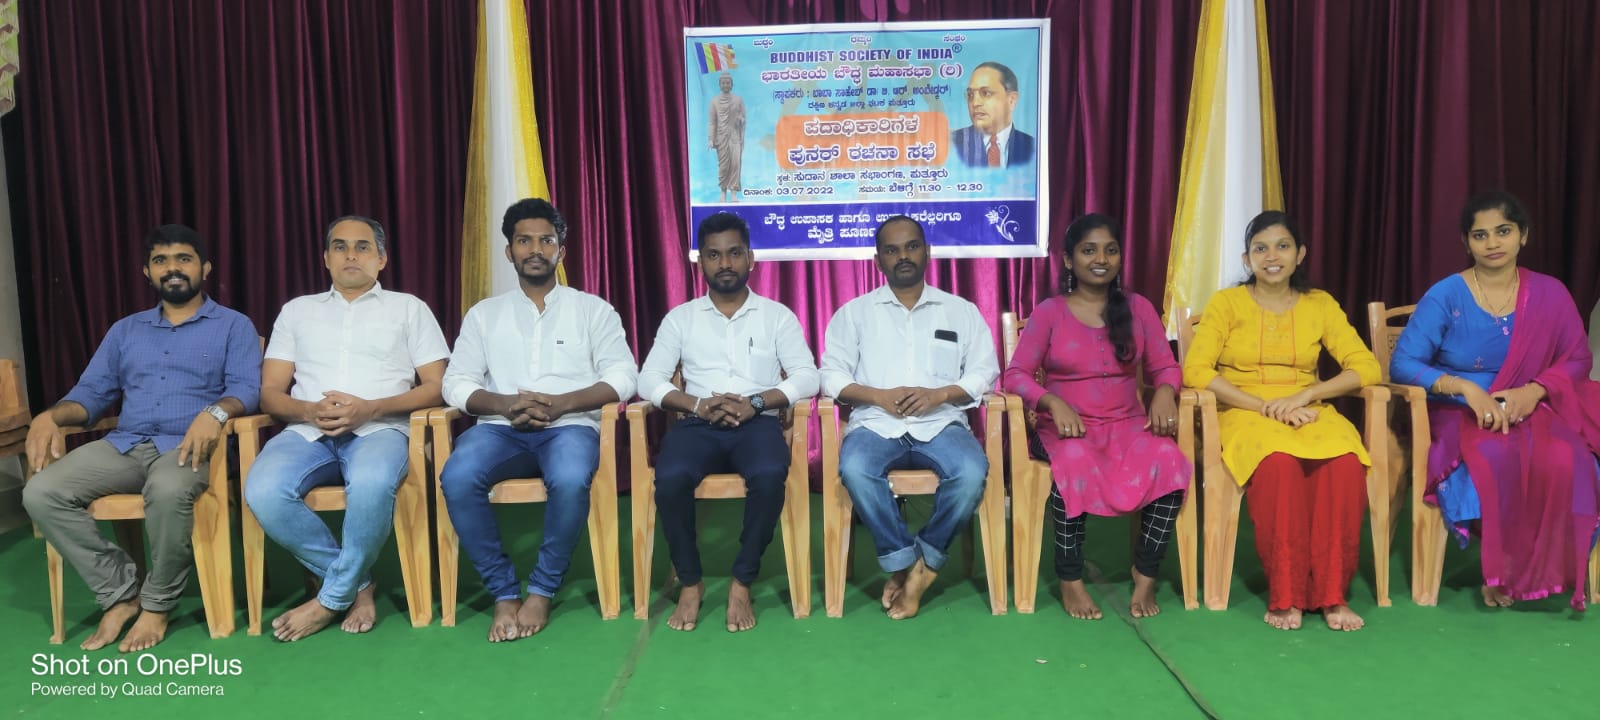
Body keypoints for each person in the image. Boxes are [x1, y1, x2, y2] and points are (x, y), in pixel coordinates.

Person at [23, 223, 261, 652]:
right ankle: (121, 593)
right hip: (126, 445)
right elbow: (91, 394)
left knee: (167, 489)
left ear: (205, 268)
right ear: (147, 272)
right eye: (161, 261)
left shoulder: (233, 325)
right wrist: (50, 416)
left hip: (192, 446)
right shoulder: (125, 331)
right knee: (41, 491)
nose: (172, 268)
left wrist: (215, 412)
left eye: (184, 258)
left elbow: (246, 387)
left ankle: (157, 604)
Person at [438, 198, 637, 642]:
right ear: (509, 251)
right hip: (499, 428)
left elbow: (624, 377)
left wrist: (563, 404)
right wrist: (505, 404)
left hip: (570, 426)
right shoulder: (484, 314)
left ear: (561, 251)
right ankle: (504, 591)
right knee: (457, 476)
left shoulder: (593, 310)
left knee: (569, 477)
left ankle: (543, 588)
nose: (535, 249)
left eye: (546, 241)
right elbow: (456, 383)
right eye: (524, 241)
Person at [1390, 191, 1600, 610]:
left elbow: (1578, 358)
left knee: (1568, 458)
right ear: (1466, 243)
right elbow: (1403, 363)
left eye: (1503, 231)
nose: (1492, 243)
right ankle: (1501, 571)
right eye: (1480, 235)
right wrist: (1465, 389)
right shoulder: (1446, 296)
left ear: (1523, 235)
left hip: (1531, 406)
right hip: (1458, 411)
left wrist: (1534, 391)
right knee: (1497, 455)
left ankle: (1546, 568)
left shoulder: (1550, 293)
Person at [243, 215, 449, 642]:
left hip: (381, 428)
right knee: (262, 490)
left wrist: (372, 409)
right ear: (326, 258)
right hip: (307, 431)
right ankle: (357, 585)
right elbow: (270, 394)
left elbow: (437, 386)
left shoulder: (408, 308)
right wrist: (308, 411)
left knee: (372, 483)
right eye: (340, 247)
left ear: (382, 259)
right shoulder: (297, 311)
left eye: (362, 247)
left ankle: (330, 598)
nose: (350, 255)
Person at [1181, 211, 1380, 632]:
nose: (1272, 256)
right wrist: (1262, 405)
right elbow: (1196, 371)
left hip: (1307, 408)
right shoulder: (1227, 304)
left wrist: (1306, 394)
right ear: (1247, 258)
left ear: (1300, 254)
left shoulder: (1320, 304)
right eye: (1261, 248)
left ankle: (1332, 595)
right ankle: (1287, 596)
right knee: (1279, 466)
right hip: (1243, 411)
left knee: (1345, 464)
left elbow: (1366, 367)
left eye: (1282, 246)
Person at [1002, 214, 1191, 620]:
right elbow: (1015, 374)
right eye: (1089, 251)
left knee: (1170, 460)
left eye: (1110, 250)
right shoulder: (1050, 312)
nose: (1101, 259)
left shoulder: (1138, 308)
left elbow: (1165, 366)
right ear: (1069, 260)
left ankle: (1145, 573)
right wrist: (1051, 402)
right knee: (1073, 463)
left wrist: (1164, 392)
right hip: (1065, 432)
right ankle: (1070, 578)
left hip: (1128, 427)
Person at [638, 212, 819, 632]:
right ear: (700, 261)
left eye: (734, 253)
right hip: (698, 424)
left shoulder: (777, 316)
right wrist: (698, 405)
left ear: (750, 258)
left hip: (757, 424)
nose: (725, 263)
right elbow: (648, 379)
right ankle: (691, 581)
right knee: (670, 477)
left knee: (770, 473)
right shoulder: (681, 318)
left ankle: (742, 580)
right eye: (714, 255)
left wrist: (756, 402)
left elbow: (808, 376)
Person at [819, 215, 999, 619]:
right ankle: (904, 562)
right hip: (875, 424)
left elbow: (985, 371)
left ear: (927, 252)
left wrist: (940, 394)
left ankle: (922, 569)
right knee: (855, 468)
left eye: (912, 246)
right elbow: (830, 375)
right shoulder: (854, 313)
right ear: (878, 260)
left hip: (942, 423)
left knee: (971, 472)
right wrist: (877, 396)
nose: (903, 256)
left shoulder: (960, 311)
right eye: (892, 250)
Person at [950, 61, 1036, 168]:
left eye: (986, 93)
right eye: (970, 94)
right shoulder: (950, 144)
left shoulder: (1033, 148)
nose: (975, 103)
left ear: (1011, 100)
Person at [708, 72, 746, 202]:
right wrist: (711, 138)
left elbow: (743, 118)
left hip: (735, 136)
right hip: (721, 137)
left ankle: (733, 193)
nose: (725, 85)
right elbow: (712, 122)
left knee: (735, 164)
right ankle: (723, 191)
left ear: (731, 84)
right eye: (723, 83)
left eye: (728, 83)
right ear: (720, 84)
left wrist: (740, 120)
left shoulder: (738, 100)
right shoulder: (714, 101)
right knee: (723, 166)